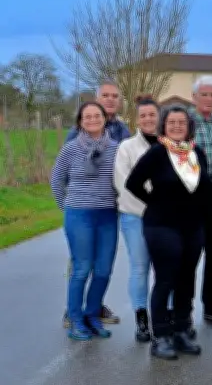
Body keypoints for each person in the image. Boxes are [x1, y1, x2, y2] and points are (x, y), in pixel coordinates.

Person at [125, 105, 212, 360]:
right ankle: (161, 335)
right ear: (164, 126)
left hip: (192, 227)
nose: (177, 127)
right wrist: (154, 201)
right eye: (172, 122)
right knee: (166, 280)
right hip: (161, 225)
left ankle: (181, 330)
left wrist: (205, 218)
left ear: (189, 127)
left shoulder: (196, 152)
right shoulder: (157, 153)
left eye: (182, 123)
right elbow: (132, 183)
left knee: (187, 279)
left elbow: (205, 187)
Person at [62, 80, 129, 329]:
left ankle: (94, 308)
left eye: (115, 96)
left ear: (119, 101)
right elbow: (62, 174)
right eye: (106, 95)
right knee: (81, 264)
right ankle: (72, 311)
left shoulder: (122, 133)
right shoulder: (75, 134)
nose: (110, 99)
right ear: (98, 99)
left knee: (102, 265)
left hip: (108, 210)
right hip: (81, 212)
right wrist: (68, 206)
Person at [50, 102, 120, 341]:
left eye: (96, 115)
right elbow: (56, 180)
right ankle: (76, 319)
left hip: (107, 215)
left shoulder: (115, 148)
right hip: (79, 214)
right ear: (80, 121)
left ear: (104, 118)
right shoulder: (70, 149)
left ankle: (92, 316)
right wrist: (67, 207)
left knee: (103, 270)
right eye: (87, 116)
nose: (92, 120)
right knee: (81, 269)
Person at [113, 94, 160, 343]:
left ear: (159, 116)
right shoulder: (127, 148)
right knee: (140, 268)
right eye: (143, 115)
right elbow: (124, 184)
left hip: (166, 220)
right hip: (136, 217)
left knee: (166, 269)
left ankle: (166, 316)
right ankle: (141, 317)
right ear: (137, 119)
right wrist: (152, 206)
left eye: (152, 114)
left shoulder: (173, 144)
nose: (148, 119)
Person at [188, 75, 212, 325]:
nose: (209, 99)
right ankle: (185, 305)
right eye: (204, 94)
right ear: (194, 97)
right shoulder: (186, 123)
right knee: (190, 255)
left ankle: (211, 305)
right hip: (193, 196)